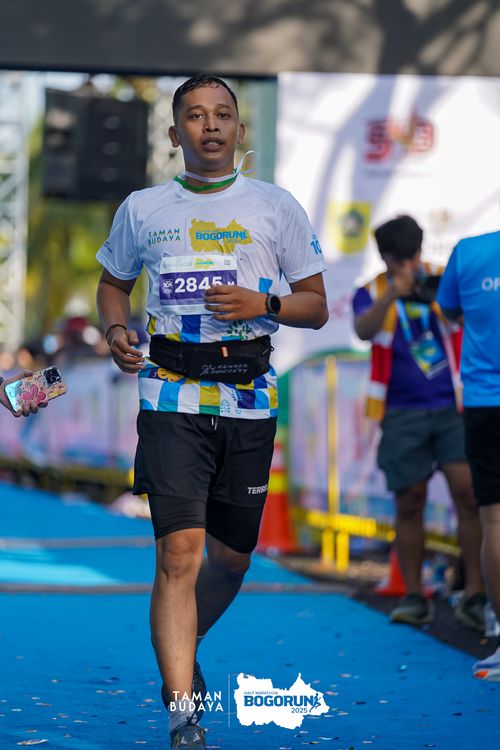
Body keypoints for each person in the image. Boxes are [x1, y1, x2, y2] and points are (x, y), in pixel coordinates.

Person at [95, 74, 328, 749]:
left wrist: (264, 304)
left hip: (249, 398)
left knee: (230, 559)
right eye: (195, 116)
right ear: (176, 134)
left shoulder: (275, 206)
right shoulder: (143, 209)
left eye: (223, 114)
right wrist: (116, 331)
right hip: (169, 392)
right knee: (179, 553)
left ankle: (182, 637)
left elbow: (317, 306)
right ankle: (183, 716)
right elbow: (113, 284)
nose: (211, 125)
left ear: (239, 129)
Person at [352, 214, 484, 628]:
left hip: (453, 407)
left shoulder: (442, 281)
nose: (410, 265)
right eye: (400, 259)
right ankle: (413, 595)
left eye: (413, 256)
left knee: (470, 495)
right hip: (399, 411)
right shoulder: (372, 291)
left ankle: (476, 595)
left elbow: (468, 320)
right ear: (385, 258)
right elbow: (363, 330)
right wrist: (393, 294)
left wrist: (436, 296)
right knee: (409, 500)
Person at [437, 230, 500, 681]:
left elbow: (449, 310)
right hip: (482, 399)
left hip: (485, 401)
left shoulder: (469, 252)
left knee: (495, 521)